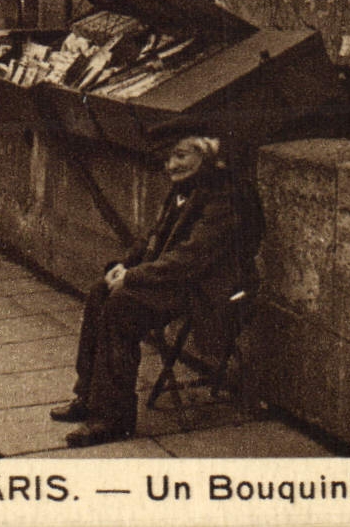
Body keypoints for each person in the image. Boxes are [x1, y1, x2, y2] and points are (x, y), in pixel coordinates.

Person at [50, 135, 254, 448]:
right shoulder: (182, 190)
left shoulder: (223, 197)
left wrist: (133, 277)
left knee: (121, 306)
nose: (172, 165)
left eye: (181, 156)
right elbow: (152, 239)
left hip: (206, 289)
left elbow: (191, 258)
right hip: (172, 279)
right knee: (99, 291)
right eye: (169, 157)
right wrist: (124, 266)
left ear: (206, 156)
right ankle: (89, 397)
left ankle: (113, 418)